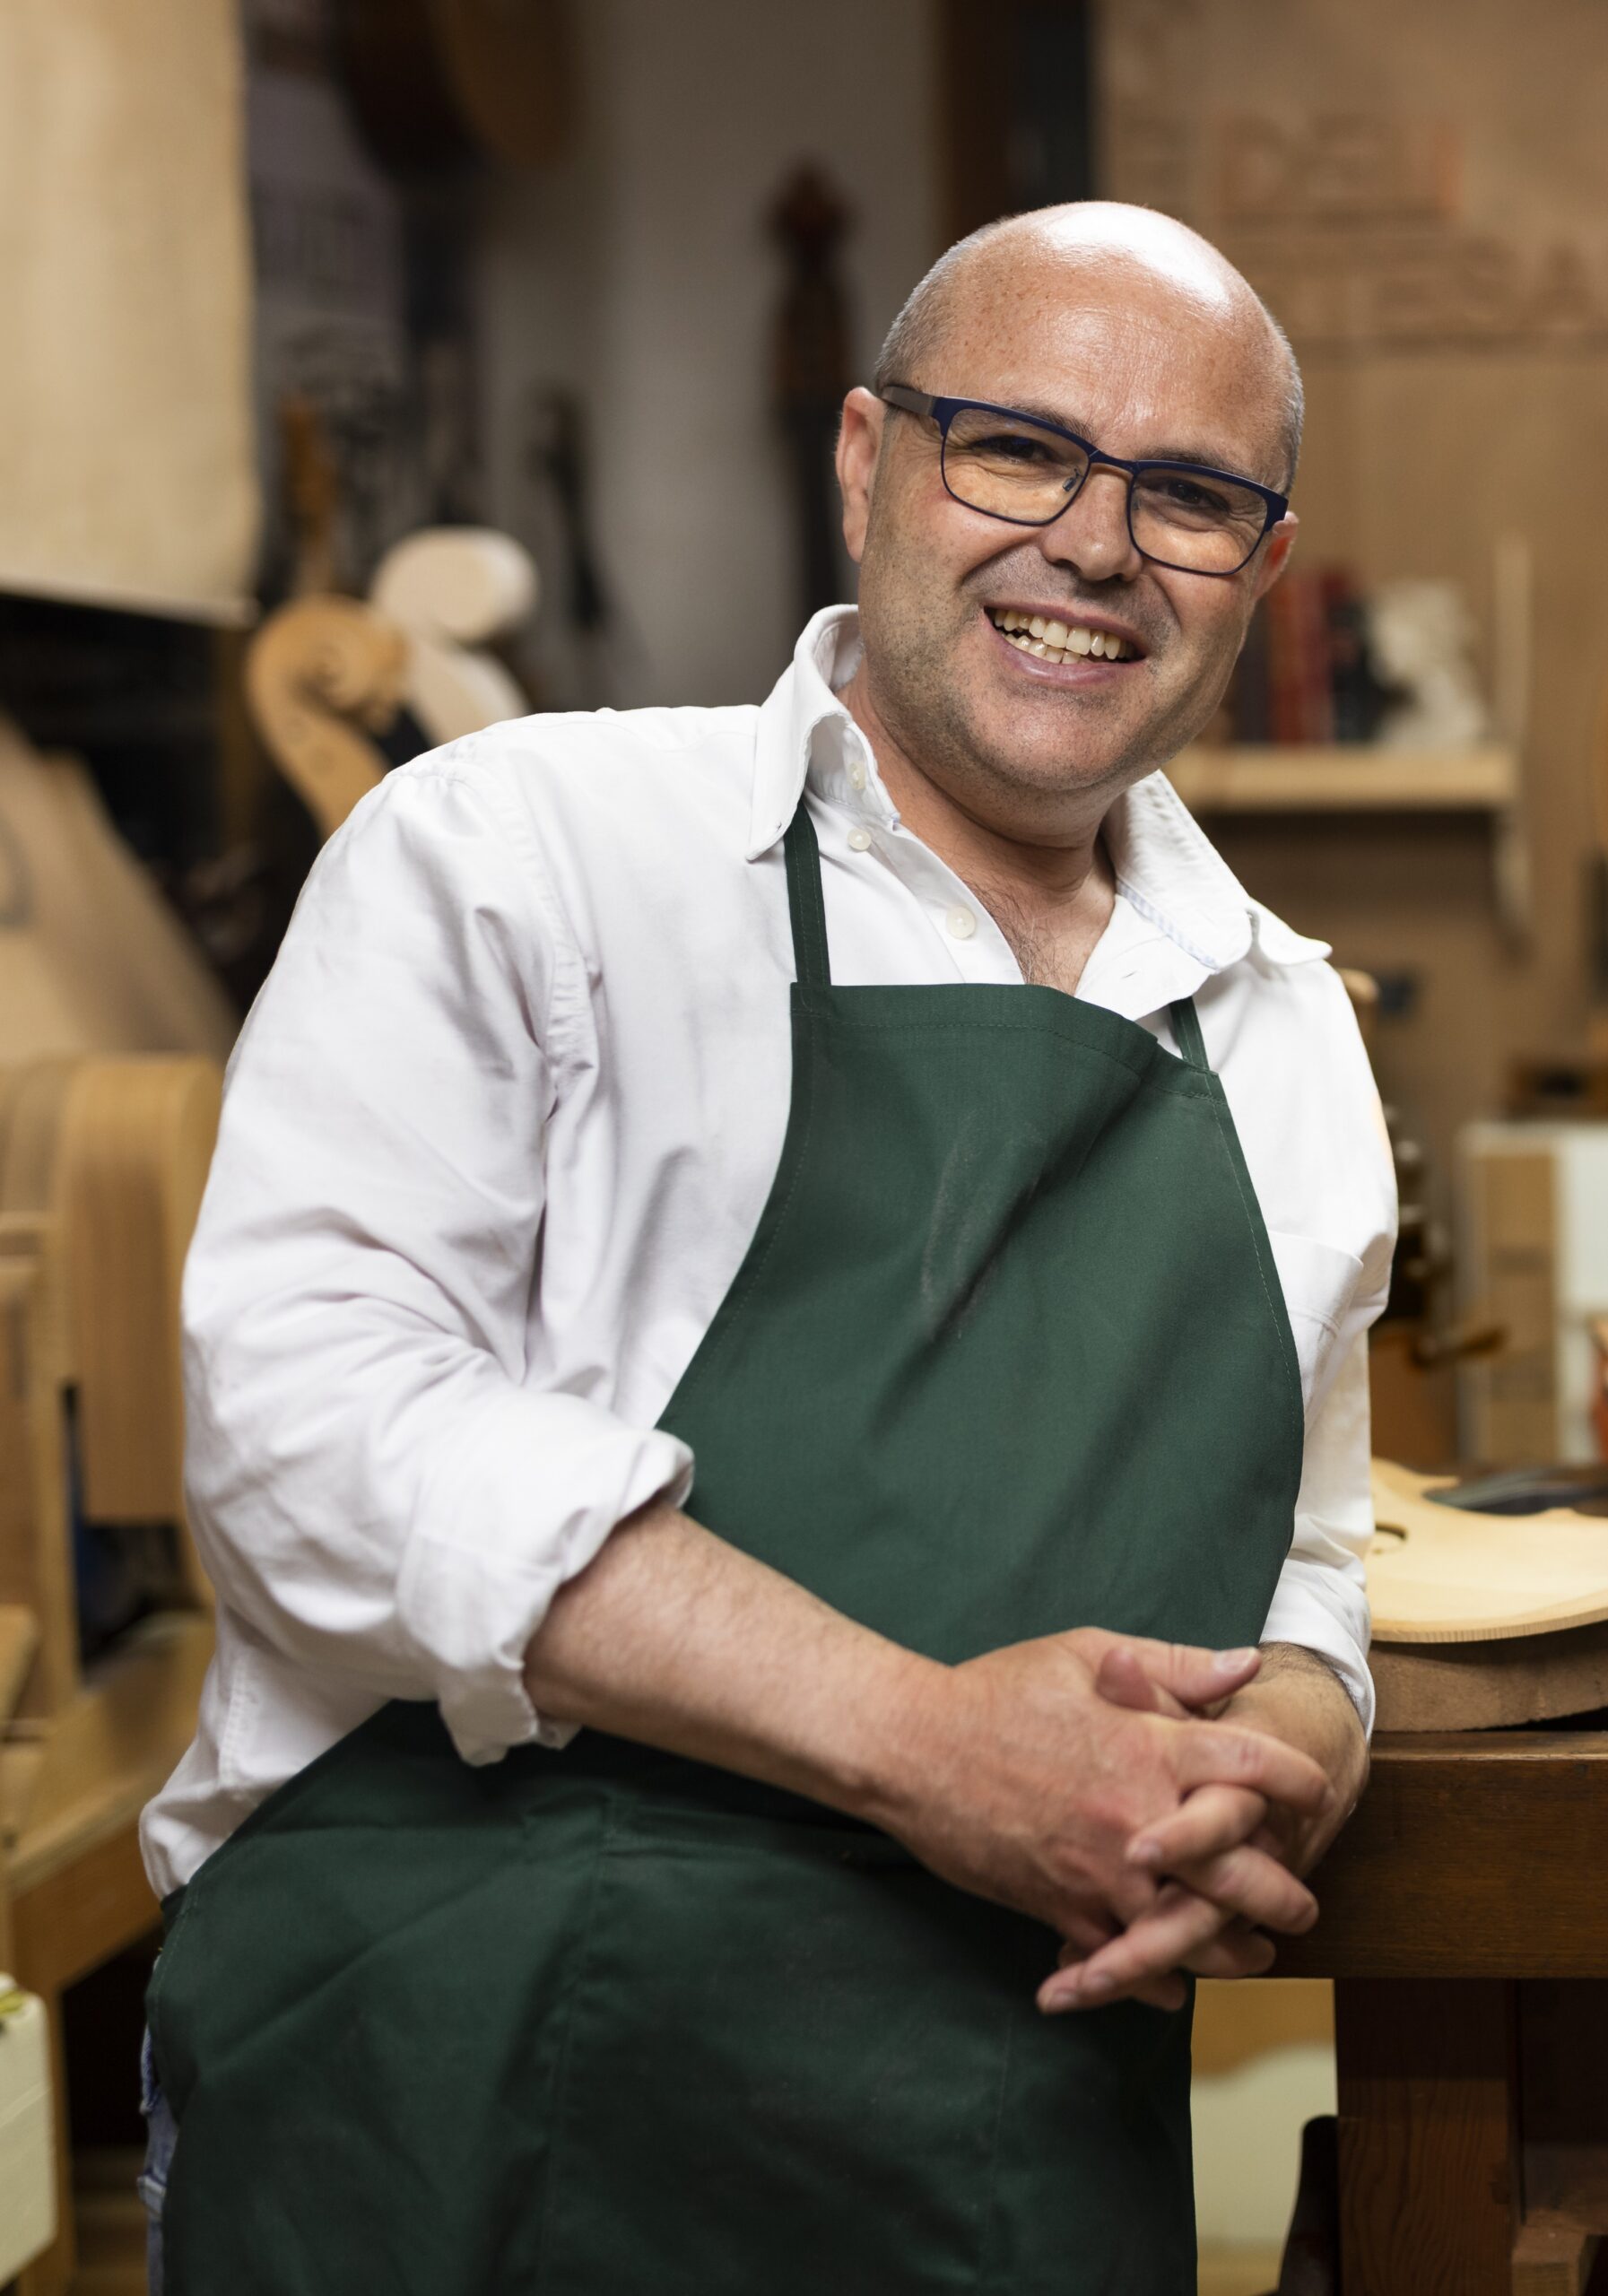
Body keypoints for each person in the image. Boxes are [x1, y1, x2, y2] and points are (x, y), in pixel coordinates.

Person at [140, 201, 1395, 2294]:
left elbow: (1313, 1565)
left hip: (1000, 2135)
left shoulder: (1286, 1033)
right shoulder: (523, 849)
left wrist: (1266, 1765)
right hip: (446, 2090)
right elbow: (310, 1426)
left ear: (1260, 570)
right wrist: (926, 1742)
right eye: (1017, 447)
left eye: (1186, 495)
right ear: (867, 462)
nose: (1094, 545)